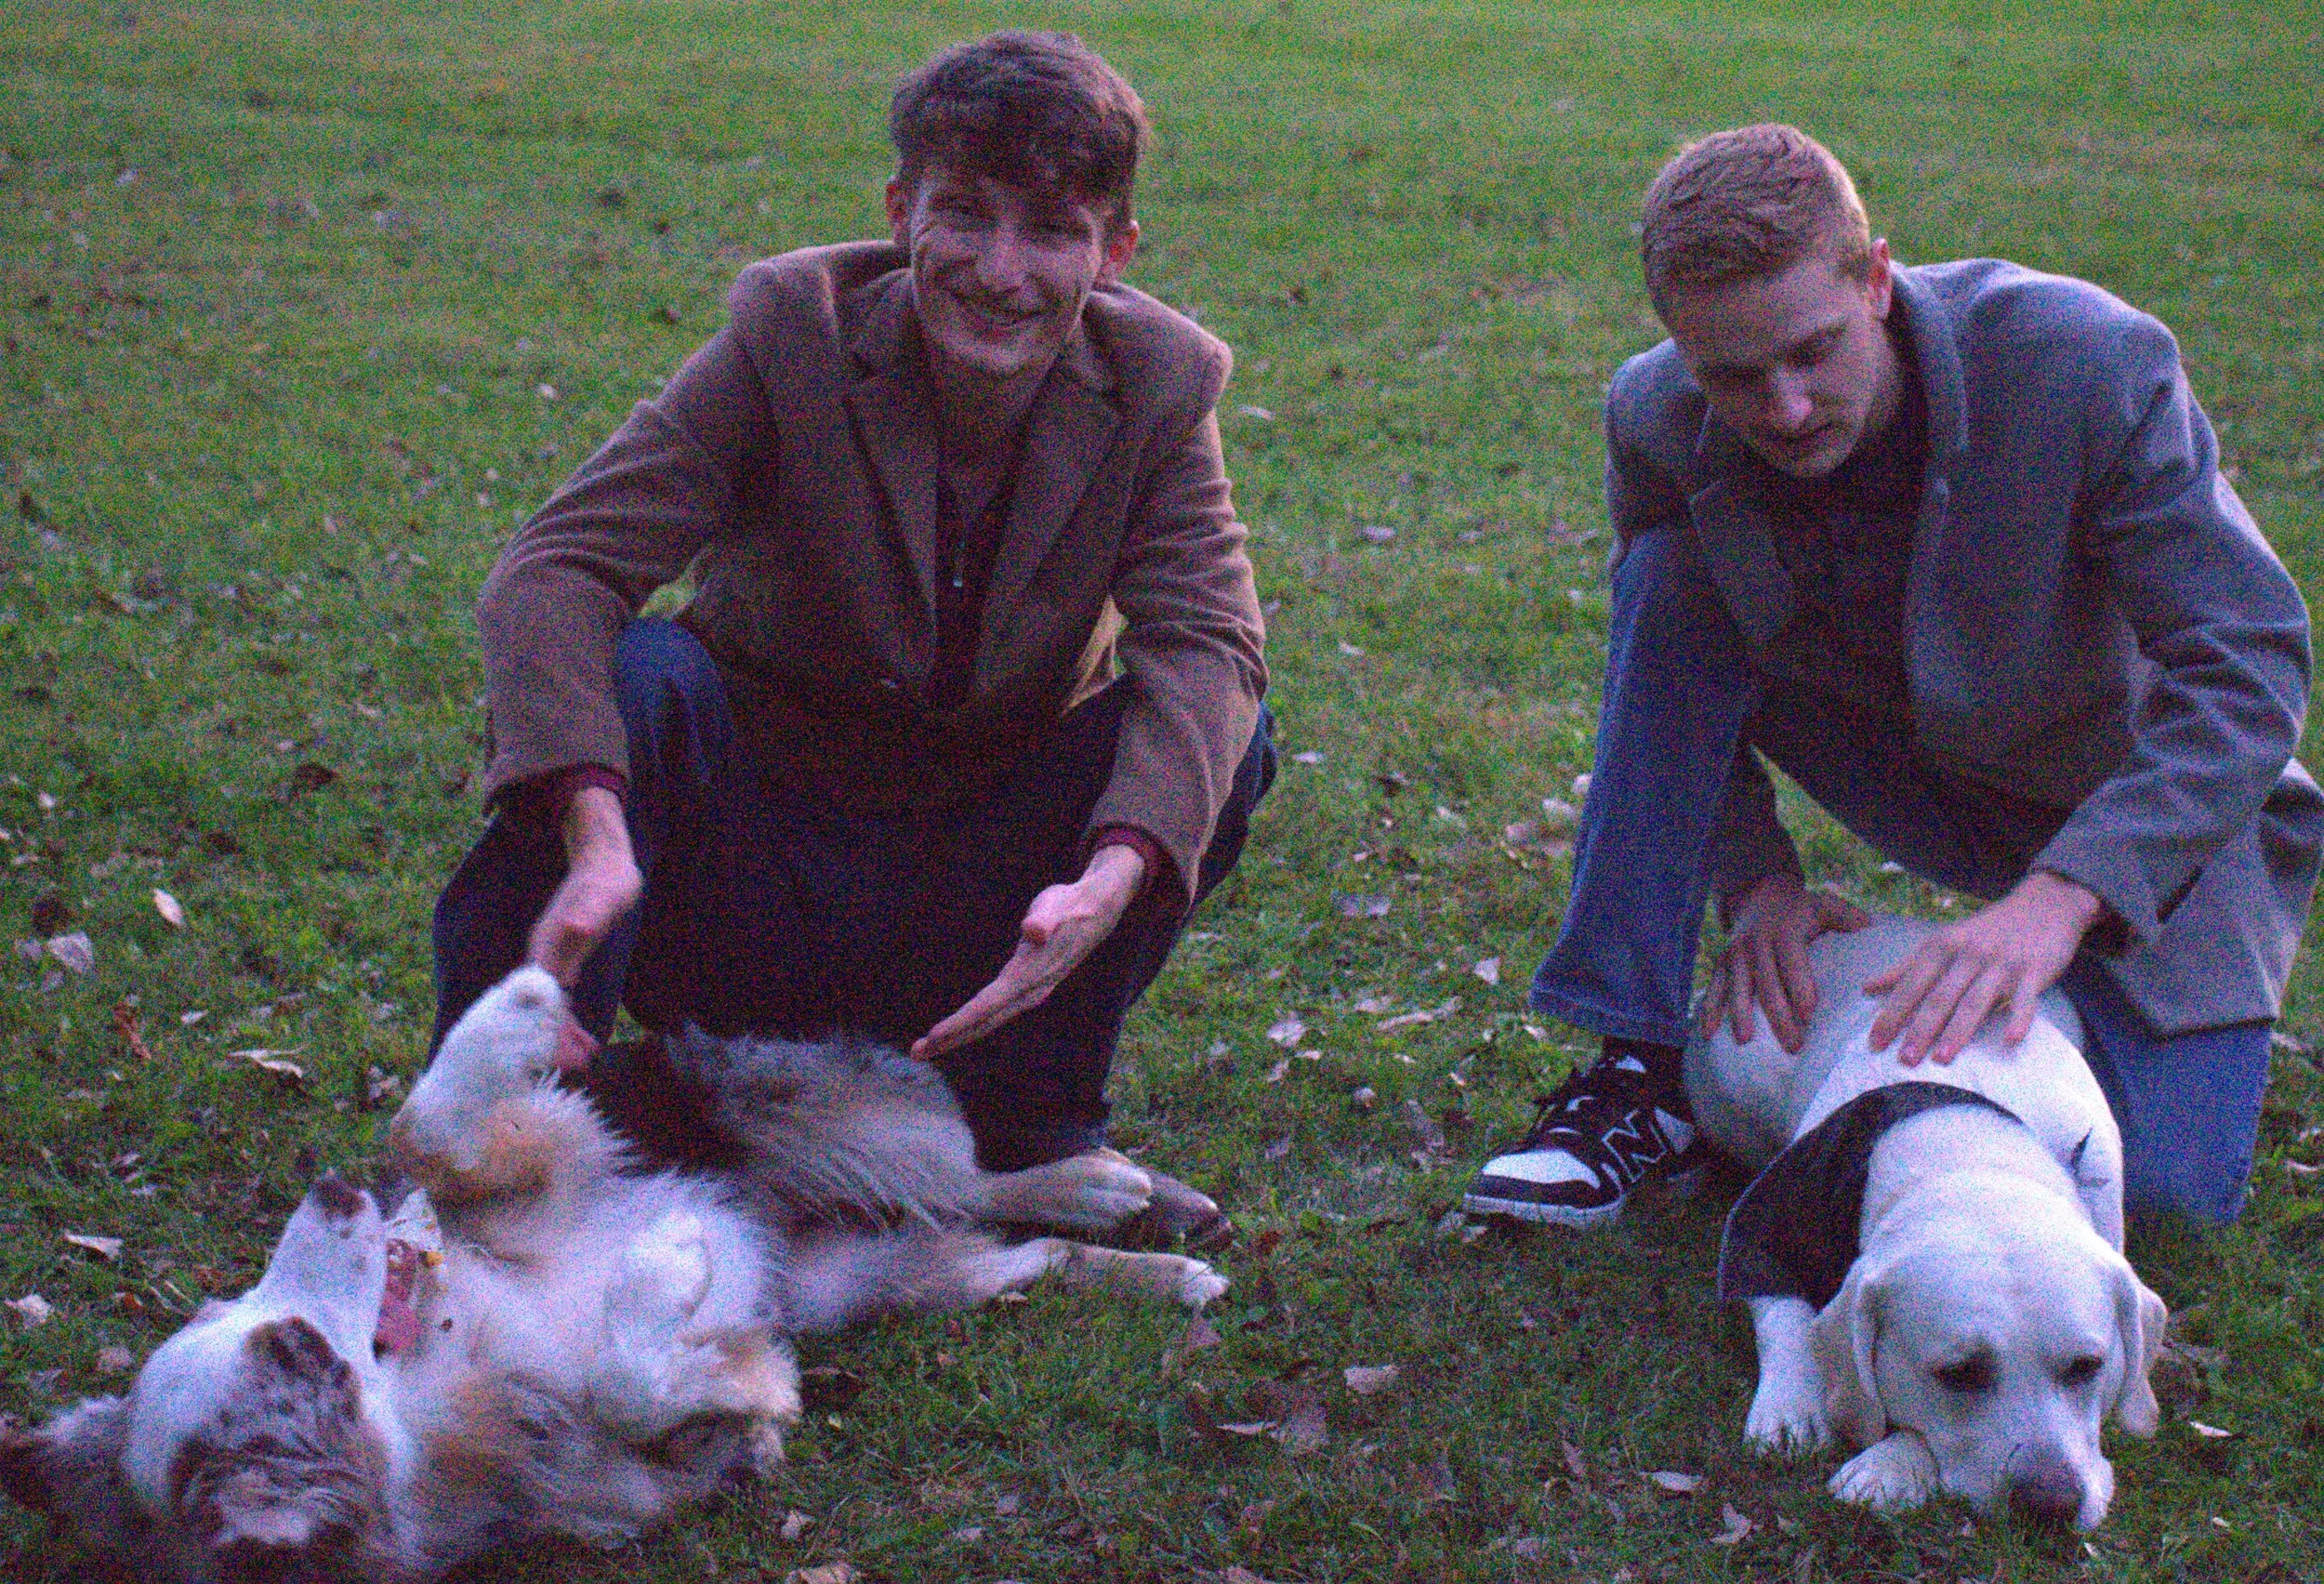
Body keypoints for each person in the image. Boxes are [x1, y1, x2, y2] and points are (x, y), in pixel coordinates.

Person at [429, 31, 1274, 1246]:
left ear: (1115, 249)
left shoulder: (1160, 387)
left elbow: (1211, 644)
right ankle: (502, 1139)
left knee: (1217, 745)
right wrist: (597, 828)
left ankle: (1029, 1128)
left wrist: (1112, 873)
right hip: (747, 885)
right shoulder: (793, 335)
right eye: (964, 215)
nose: (1000, 269)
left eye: (1051, 229)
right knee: (645, 675)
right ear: (898, 211)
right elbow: (556, 569)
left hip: (979, 913)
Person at [1464, 124, 2319, 1231]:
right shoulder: (1655, 416)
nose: (1783, 408)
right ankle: (1637, 1072)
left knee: (2157, 1195)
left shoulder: (2084, 360)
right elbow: (1673, 671)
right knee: (1665, 580)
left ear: (1874, 279)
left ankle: (2029, 1008)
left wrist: (2062, 898)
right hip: (1900, 756)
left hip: (2141, 796)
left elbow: (2249, 663)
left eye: (1812, 352)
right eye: (1733, 375)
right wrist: (1755, 878)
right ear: (1676, 344)